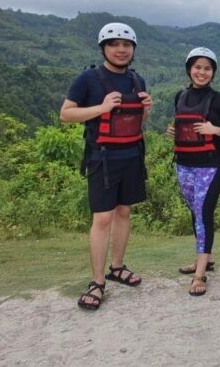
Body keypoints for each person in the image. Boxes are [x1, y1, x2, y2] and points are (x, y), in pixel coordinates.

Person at [59, 23, 152, 311]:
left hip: (131, 156)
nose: (121, 50)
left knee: (124, 212)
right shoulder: (89, 79)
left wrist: (146, 110)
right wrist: (100, 108)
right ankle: (97, 282)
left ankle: (117, 267)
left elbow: (136, 122)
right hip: (102, 158)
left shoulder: (138, 81)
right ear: (104, 48)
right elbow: (65, 114)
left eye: (126, 45)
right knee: (102, 218)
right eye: (114, 44)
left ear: (133, 49)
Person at [167, 47, 220, 296]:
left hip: (209, 165)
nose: (202, 72)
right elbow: (181, 124)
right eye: (197, 67)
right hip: (183, 163)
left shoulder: (219, 100)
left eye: (207, 68)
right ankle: (203, 259)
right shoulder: (180, 96)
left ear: (213, 73)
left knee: (203, 214)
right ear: (189, 69)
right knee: (194, 213)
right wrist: (173, 132)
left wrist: (215, 129)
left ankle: (200, 275)